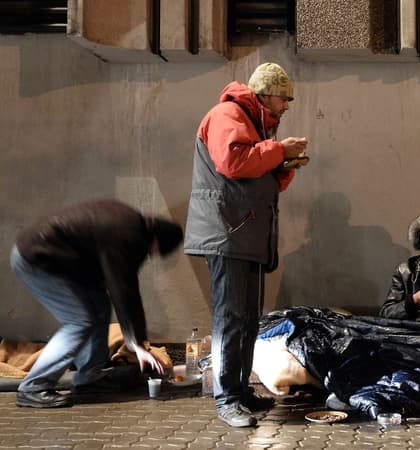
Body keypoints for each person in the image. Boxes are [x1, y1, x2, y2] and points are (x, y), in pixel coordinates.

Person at [184, 62, 309, 428]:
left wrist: (284, 164)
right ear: (264, 94)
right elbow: (234, 162)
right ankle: (227, 400)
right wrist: (278, 149)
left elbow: (258, 180)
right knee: (229, 320)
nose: (286, 107)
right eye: (283, 99)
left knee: (246, 319)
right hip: (228, 235)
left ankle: (239, 390)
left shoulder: (252, 125)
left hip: (244, 234)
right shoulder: (228, 113)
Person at [10, 200, 183, 408]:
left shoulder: (130, 222)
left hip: (54, 259)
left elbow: (117, 280)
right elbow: (124, 289)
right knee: (79, 321)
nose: (152, 255)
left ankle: (89, 377)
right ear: (156, 241)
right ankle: (34, 386)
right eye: (156, 251)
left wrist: (137, 340)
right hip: (37, 259)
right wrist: (137, 344)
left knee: (100, 306)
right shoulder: (128, 235)